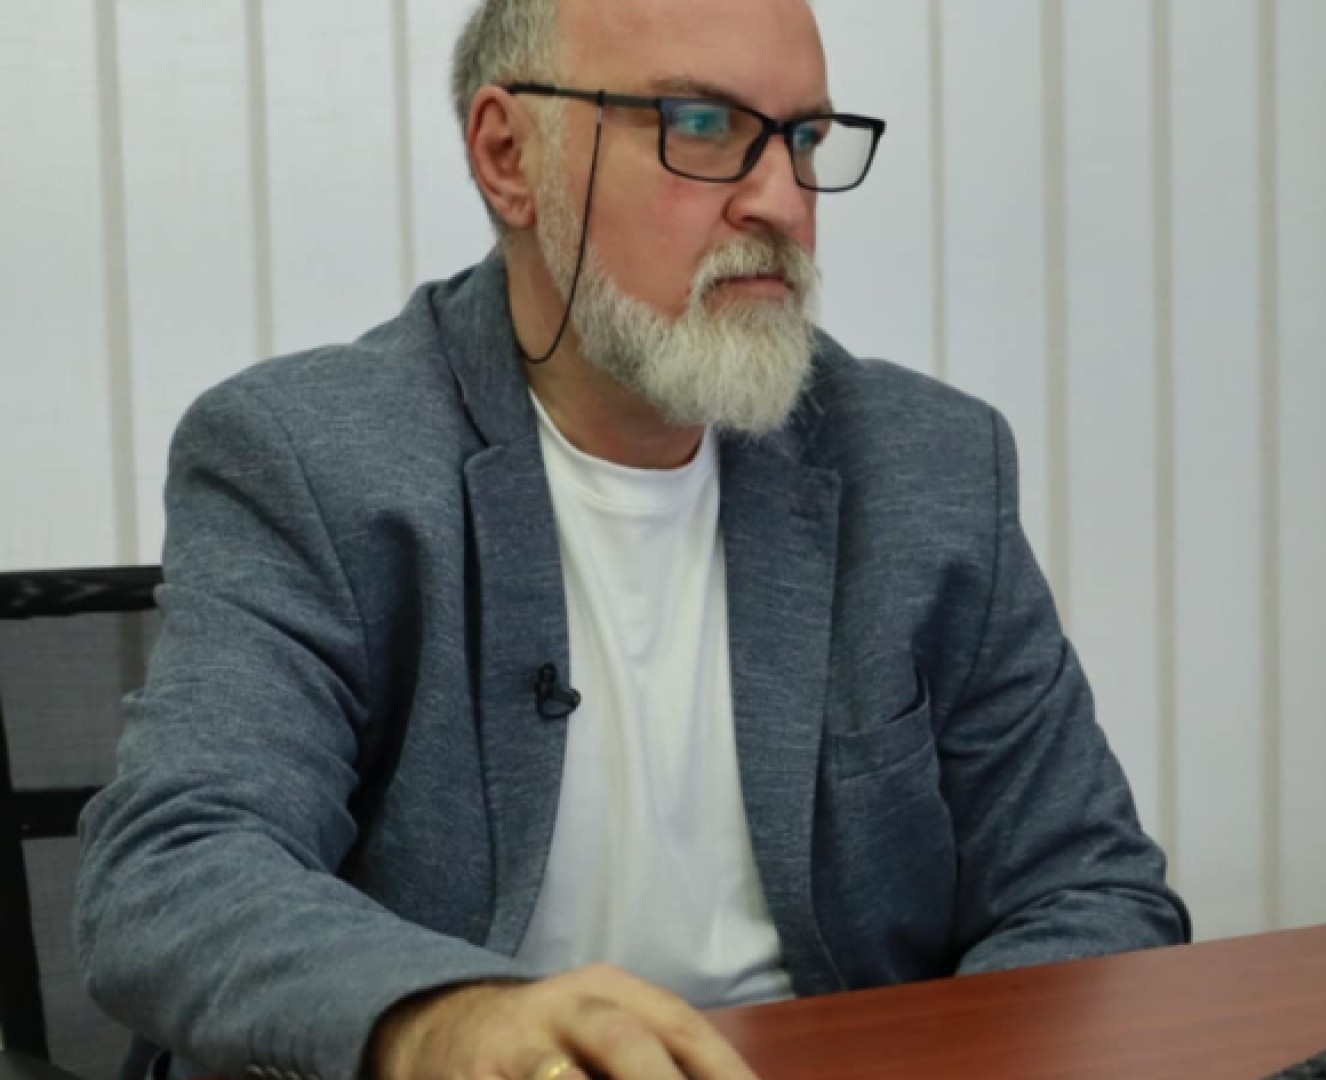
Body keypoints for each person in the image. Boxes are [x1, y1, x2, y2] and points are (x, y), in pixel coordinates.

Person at [72, 1, 1187, 1078]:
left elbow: (1087, 888)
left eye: (803, 139)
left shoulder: (928, 466)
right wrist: (443, 1023)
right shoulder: (313, 458)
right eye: (700, 125)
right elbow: (179, 866)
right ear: (510, 156)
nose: (782, 202)